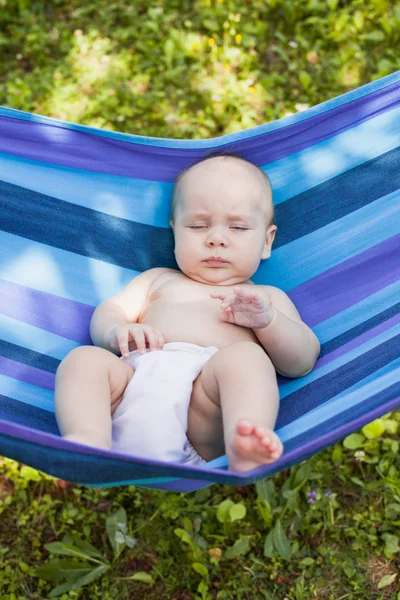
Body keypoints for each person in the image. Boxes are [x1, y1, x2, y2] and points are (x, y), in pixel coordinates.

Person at [54, 153, 320, 472]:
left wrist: (269, 323)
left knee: (247, 358)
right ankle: (89, 437)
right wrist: (115, 330)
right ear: (175, 231)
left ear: (266, 241)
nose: (216, 239)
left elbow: (302, 361)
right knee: (83, 359)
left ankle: (245, 439)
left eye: (237, 227)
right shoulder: (157, 280)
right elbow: (110, 310)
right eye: (197, 225)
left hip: (202, 418)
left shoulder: (265, 298)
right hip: (132, 389)